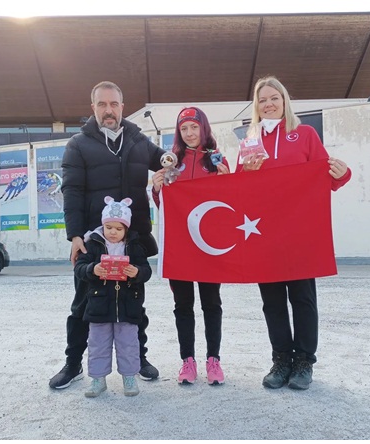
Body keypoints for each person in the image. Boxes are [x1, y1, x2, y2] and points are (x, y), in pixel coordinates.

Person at [51, 80, 166, 390]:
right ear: (93, 108)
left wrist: (174, 166)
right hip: (94, 242)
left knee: (133, 305)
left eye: (114, 104)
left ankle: (138, 359)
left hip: (133, 240)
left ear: (122, 107)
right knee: (82, 305)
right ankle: (74, 363)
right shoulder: (78, 144)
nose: (108, 110)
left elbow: (168, 161)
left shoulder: (138, 141)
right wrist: (75, 235)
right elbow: (71, 190)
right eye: (102, 104)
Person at [239, 76, 351, 390]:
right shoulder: (250, 141)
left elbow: (325, 174)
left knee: (302, 299)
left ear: (285, 101)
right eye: (262, 100)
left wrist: (343, 175)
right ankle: (280, 361)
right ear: (256, 107)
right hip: (263, 235)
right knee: (272, 303)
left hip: (299, 234)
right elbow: (237, 190)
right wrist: (245, 174)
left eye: (274, 98)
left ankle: (304, 362)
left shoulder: (304, 135)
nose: (269, 104)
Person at [150, 107, 230, 385]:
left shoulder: (216, 161)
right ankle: (187, 361)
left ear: (203, 128)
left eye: (194, 127)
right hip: (180, 247)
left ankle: (214, 360)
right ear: (179, 133)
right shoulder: (171, 163)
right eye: (184, 129)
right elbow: (166, 209)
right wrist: (157, 189)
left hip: (209, 247)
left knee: (212, 303)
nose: (190, 133)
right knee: (182, 305)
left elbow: (228, 204)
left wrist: (227, 181)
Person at [76, 197, 152, 398]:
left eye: (119, 228)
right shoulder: (92, 243)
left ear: (126, 228)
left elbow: (147, 270)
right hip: (99, 305)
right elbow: (79, 268)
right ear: (103, 224)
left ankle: (129, 377)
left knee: (128, 344)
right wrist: (93, 269)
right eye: (109, 227)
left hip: (128, 306)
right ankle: (98, 380)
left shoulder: (134, 245)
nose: (113, 232)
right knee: (98, 344)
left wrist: (136, 272)